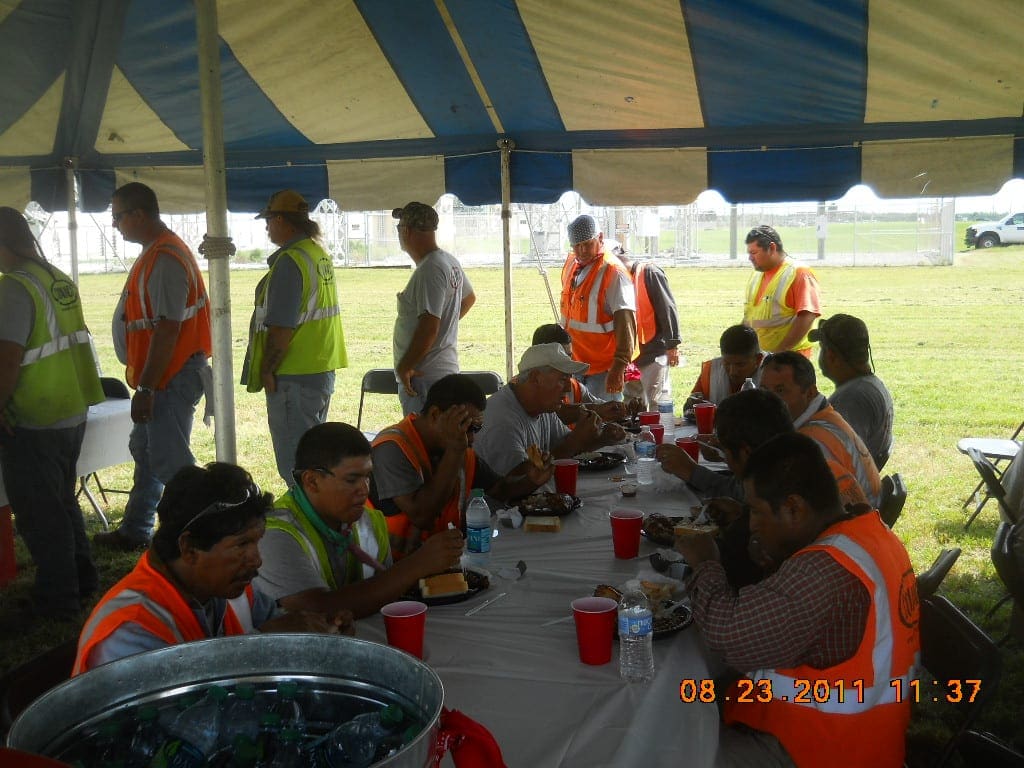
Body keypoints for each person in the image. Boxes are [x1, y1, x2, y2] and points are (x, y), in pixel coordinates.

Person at [676, 433, 919, 767]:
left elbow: (728, 635)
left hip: (821, 751)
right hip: (858, 736)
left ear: (794, 508)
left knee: (666, 745)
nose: (752, 525)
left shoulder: (825, 571)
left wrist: (706, 562)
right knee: (679, 698)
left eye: (756, 511)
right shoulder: (868, 535)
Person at [74, 463, 348, 675]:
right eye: (242, 544)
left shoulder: (226, 587)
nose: (256, 560)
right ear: (189, 548)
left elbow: (277, 621)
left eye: (257, 542)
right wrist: (262, 643)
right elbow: (178, 720)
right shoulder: (132, 631)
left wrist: (318, 628)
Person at [94, 183, 212, 551]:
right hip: (162, 375)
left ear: (138, 214)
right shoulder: (155, 252)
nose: (114, 225)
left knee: (170, 461)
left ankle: (202, 532)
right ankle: (136, 529)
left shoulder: (165, 258)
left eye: (117, 217)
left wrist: (147, 387)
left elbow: (167, 328)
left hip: (169, 376)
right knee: (147, 453)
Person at [0, 207, 105, 619]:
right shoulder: (56, 277)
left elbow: (7, 359)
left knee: (41, 512)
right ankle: (81, 580)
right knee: (61, 502)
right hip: (70, 406)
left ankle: (57, 599)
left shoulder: (15, 286)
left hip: (34, 414)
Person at [254, 423, 466, 619]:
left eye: (367, 477)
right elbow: (315, 611)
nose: (364, 490)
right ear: (312, 481)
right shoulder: (274, 534)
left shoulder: (369, 521)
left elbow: (388, 593)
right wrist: (417, 565)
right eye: (352, 479)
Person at [371, 374, 552, 556]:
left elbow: (499, 488)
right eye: (465, 426)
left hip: (444, 560)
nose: (471, 438)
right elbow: (422, 516)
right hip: (393, 566)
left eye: (476, 428)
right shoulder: (392, 448)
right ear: (435, 415)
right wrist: (455, 450)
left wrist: (531, 480)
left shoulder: (460, 450)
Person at [243, 190, 347, 485]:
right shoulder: (316, 254)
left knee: (296, 466)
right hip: (319, 370)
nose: (267, 227)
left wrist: (267, 369)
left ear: (281, 220)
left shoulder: (290, 261)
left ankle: (305, 511)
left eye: (269, 220)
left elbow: (281, 328)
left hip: (294, 376)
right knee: (313, 459)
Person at [473, 343, 627, 476]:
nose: (568, 388)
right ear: (535, 378)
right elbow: (517, 479)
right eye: (562, 379)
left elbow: (565, 445)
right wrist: (576, 440)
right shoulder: (502, 419)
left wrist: (603, 438)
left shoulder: (543, 407)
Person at [760, 351, 881, 508]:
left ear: (810, 393)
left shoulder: (810, 443)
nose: (768, 401)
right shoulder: (825, 416)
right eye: (763, 390)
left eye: (780, 390)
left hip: (856, 516)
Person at [392, 201, 475, 416]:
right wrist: (444, 326)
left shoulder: (429, 269)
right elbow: (468, 299)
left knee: (423, 434)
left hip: (424, 378)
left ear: (406, 231)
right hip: (441, 371)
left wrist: (405, 367)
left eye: (399, 227)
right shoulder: (448, 261)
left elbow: (429, 326)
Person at [560, 214, 637, 401]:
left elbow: (626, 323)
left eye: (587, 244)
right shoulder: (571, 265)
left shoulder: (613, 272)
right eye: (577, 246)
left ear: (600, 237)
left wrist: (619, 366)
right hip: (574, 365)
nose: (582, 250)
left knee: (605, 417)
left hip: (603, 371)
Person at [809, 314, 894, 470]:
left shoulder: (852, 399)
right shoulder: (869, 386)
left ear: (831, 356)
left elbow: (837, 462)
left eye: (821, 348)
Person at [609, 241, 681, 410]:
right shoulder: (617, 281)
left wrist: (672, 345)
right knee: (632, 402)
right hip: (631, 356)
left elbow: (667, 308)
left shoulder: (650, 273)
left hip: (654, 353)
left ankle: (660, 427)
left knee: (657, 402)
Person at [531, 323, 634, 425]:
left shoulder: (575, 388)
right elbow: (558, 414)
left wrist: (626, 409)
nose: (567, 386)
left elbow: (603, 407)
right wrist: (595, 410)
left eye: (569, 358)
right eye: (561, 361)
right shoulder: (528, 398)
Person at [742, 225, 820, 357]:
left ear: (772, 248)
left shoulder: (799, 273)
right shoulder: (756, 275)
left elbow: (807, 316)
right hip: (762, 358)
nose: (750, 258)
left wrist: (780, 353)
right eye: (749, 253)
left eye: (754, 253)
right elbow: (750, 316)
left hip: (791, 359)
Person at [688, 324, 764, 406]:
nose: (732, 372)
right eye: (727, 363)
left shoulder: (771, 373)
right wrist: (691, 404)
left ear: (758, 359)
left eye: (740, 365)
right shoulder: (711, 371)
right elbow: (692, 404)